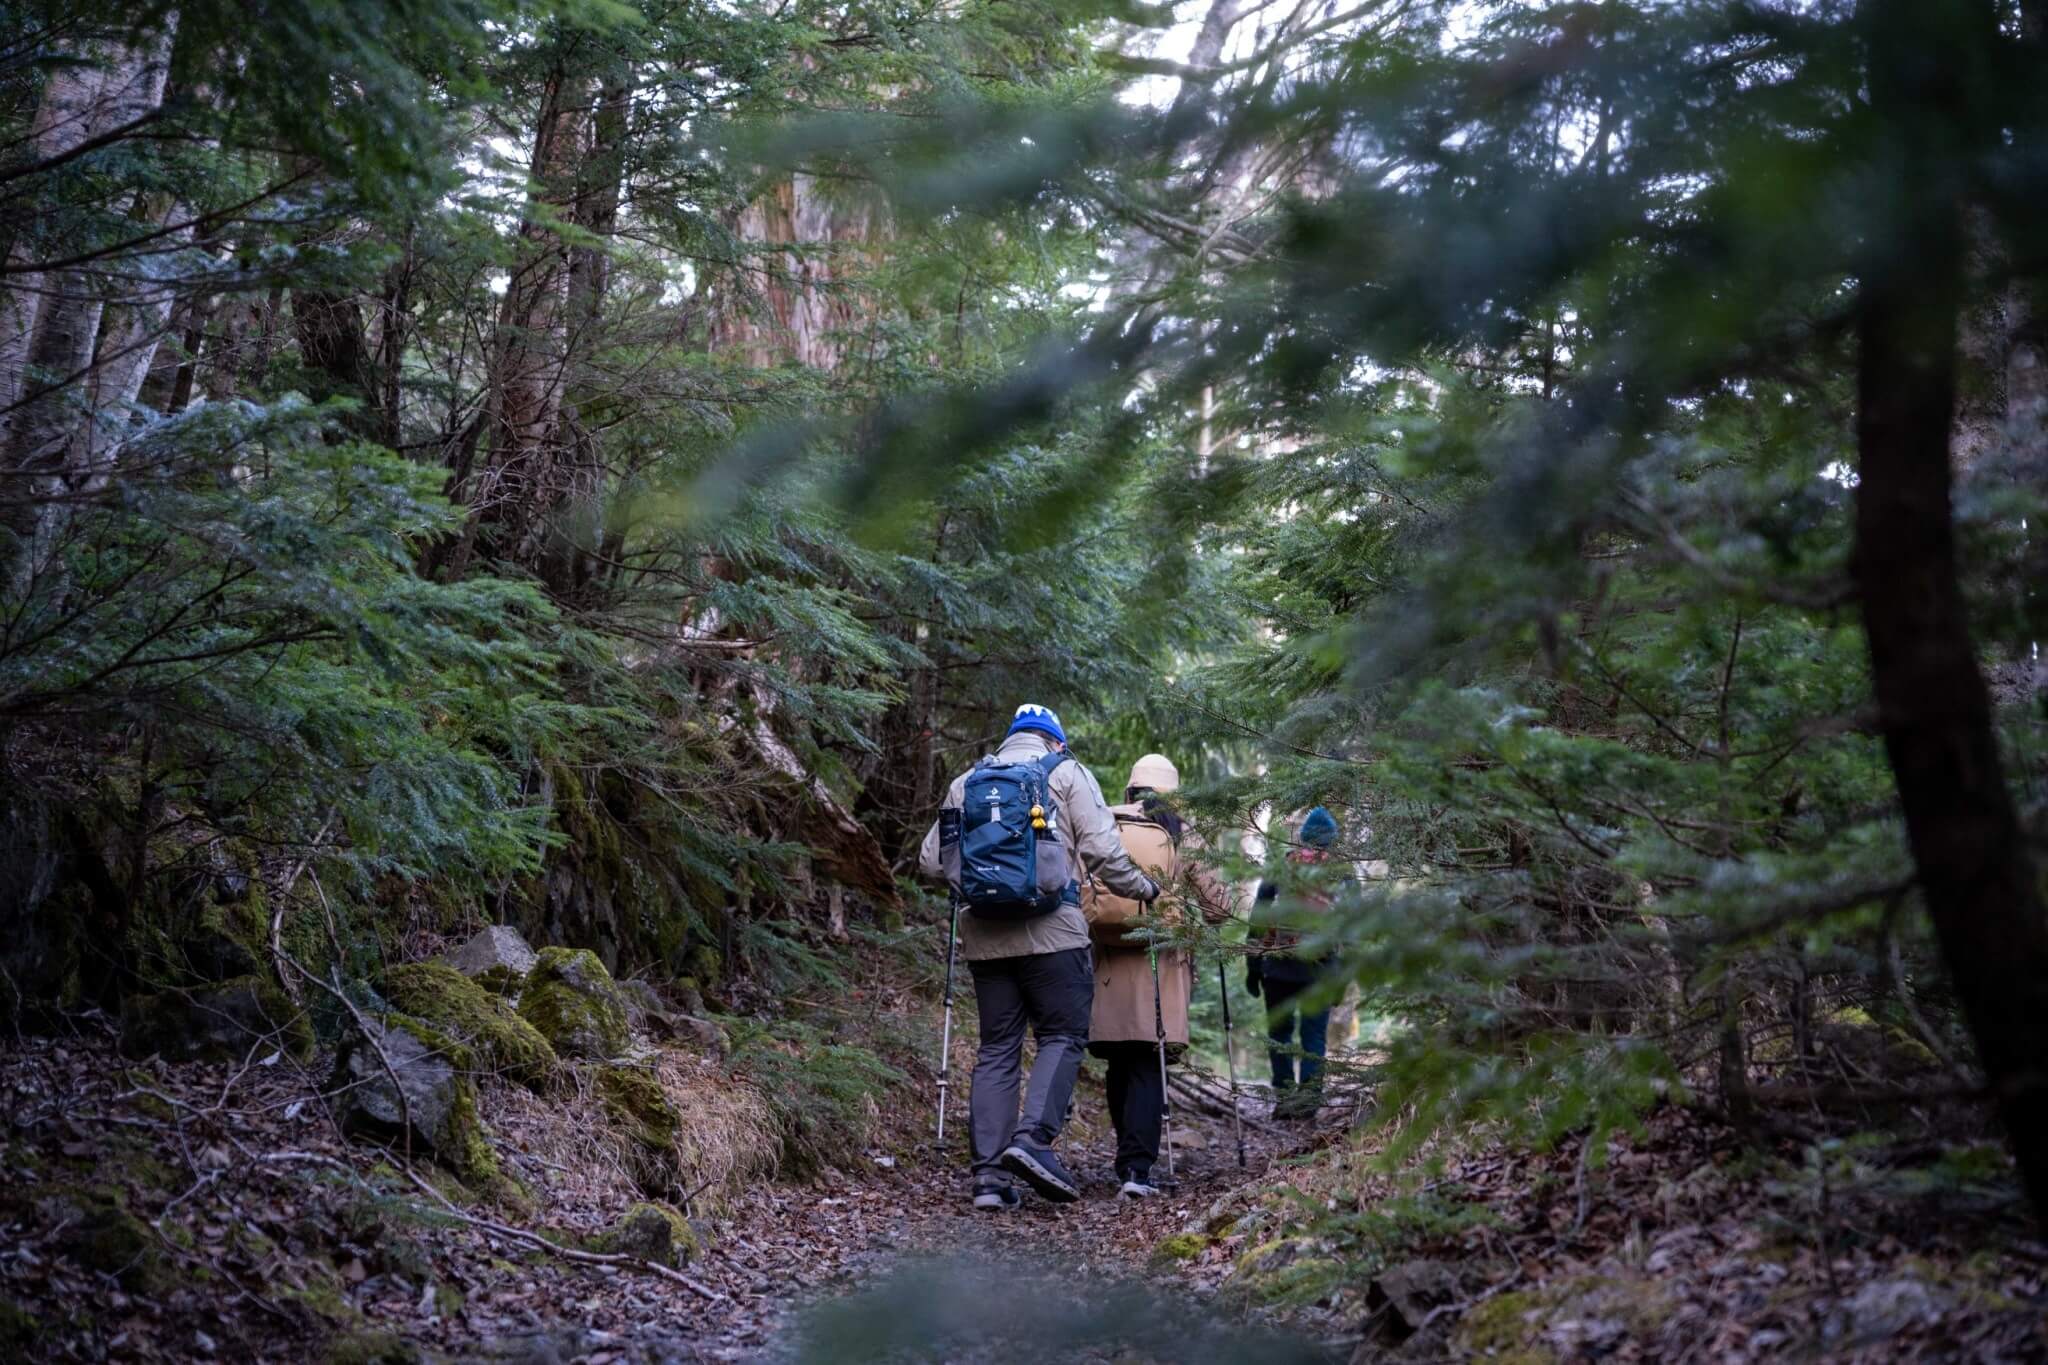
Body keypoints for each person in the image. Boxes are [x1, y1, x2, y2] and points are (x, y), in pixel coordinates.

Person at [919, 704, 1161, 1210]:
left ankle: (988, 1177)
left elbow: (930, 861)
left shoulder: (967, 782)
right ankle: (1033, 1140)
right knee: (1062, 1035)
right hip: (1056, 933)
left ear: (1011, 739)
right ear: (1056, 741)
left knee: (997, 1048)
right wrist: (1145, 889)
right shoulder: (1067, 773)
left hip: (986, 938)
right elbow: (1103, 851)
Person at [1082, 753, 1235, 1198]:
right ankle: (1137, 1170)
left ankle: (1125, 1160)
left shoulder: (1105, 824)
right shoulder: (1179, 834)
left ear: (1130, 790)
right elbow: (1216, 908)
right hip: (1159, 968)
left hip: (1109, 962)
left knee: (1119, 1062)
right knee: (1149, 1062)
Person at [1247, 806, 1340, 1119]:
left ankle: (1285, 1099)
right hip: (1321, 970)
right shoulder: (1341, 874)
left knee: (1280, 1035)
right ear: (1330, 841)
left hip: (1278, 968)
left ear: (1303, 838)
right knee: (1313, 1038)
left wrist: (1253, 967)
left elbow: (1258, 917)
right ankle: (1309, 1102)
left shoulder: (1281, 866)